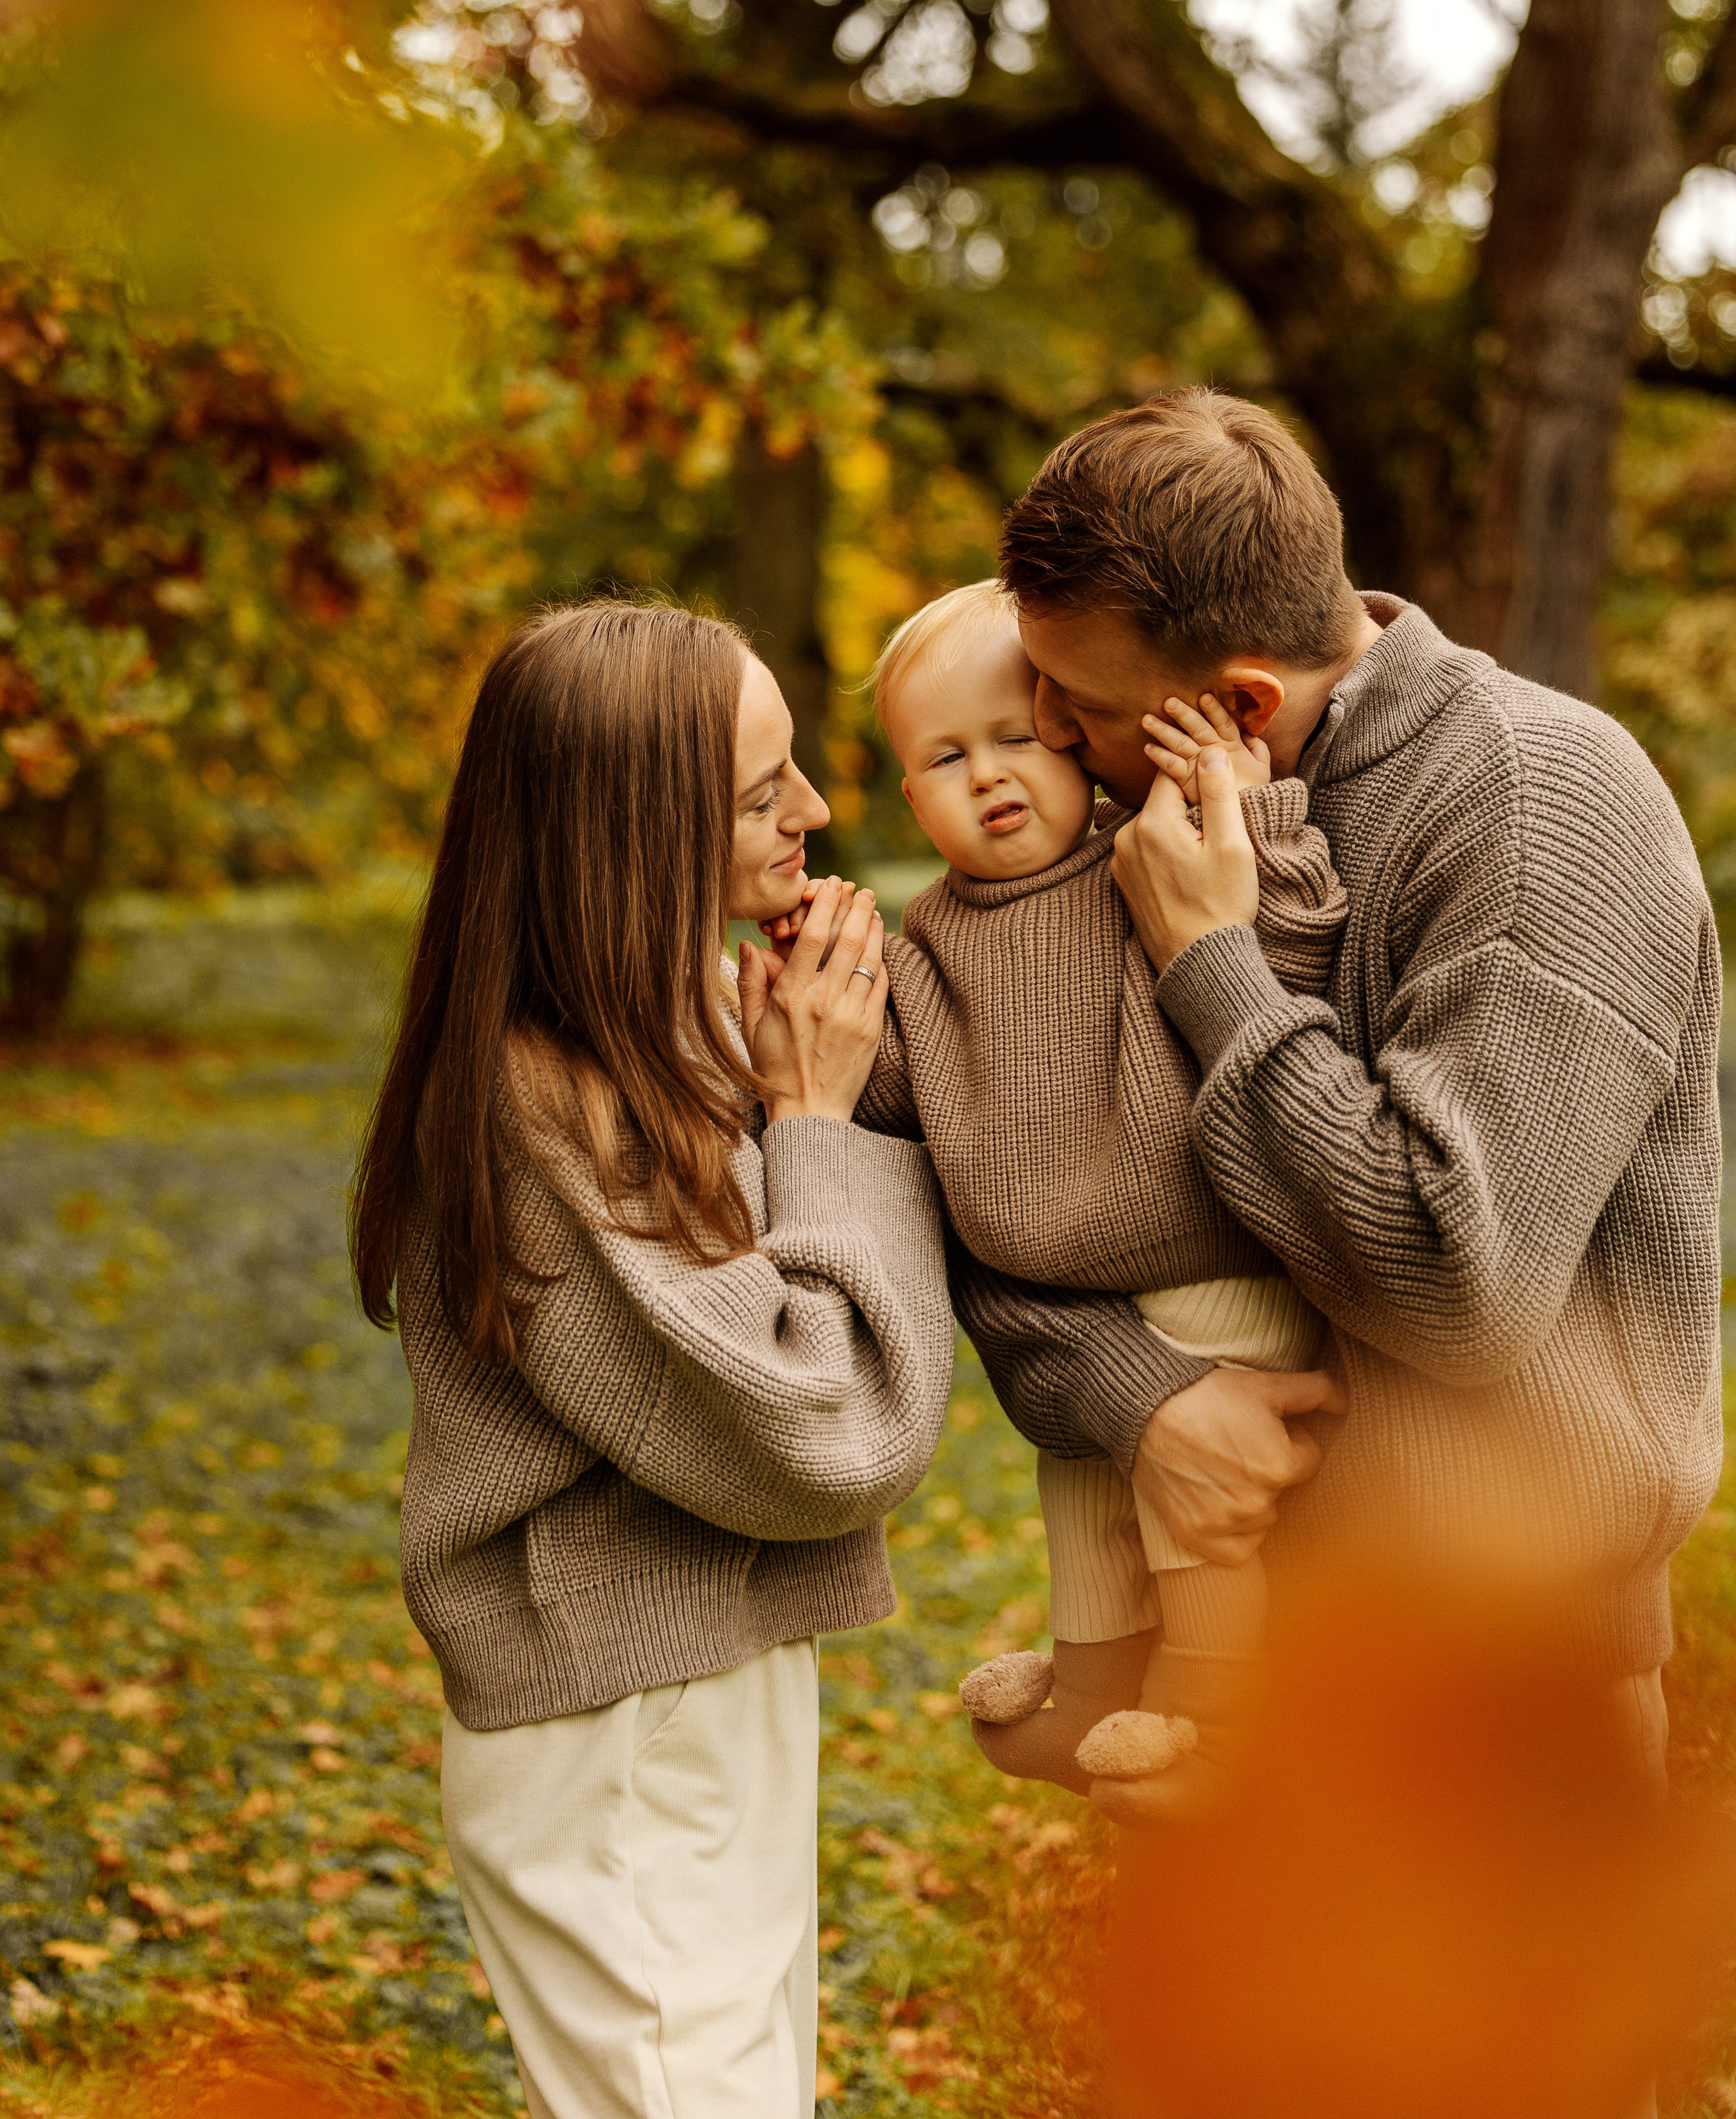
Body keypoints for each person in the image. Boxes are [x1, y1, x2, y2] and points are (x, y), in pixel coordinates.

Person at [951, 391, 1720, 1806]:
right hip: (1242, 1659)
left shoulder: (1533, 804)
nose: (1045, 734)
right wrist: (1138, 1398)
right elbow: (1004, 1168)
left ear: (1239, 698)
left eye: (1084, 703)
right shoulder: (1152, 809)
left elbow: (1456, 1282)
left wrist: (1210, 960)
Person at [350, 599, 953, 2119]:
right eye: (761, 793)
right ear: (633, 830)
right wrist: (812, 1122)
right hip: (622, 1723)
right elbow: (825, 1437)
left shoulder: (669, 1028)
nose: (815, 812)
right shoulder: (544, 1109)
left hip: (702, 1673)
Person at [840, 578, 1343, 1820]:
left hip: (1210, 1269)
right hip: (1079, 1308)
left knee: (1197, 1526)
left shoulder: (1143, 858)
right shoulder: (924, 949)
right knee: (1086, 1488)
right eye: (947, 758)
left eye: (1015, 737)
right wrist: (822, 979)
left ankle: (1218, 1711)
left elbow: (1286, 941)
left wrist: (1252, 806)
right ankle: (1094, 1683)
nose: (990, 776)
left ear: (1072, 734)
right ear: (909, 796)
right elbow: (886, 1090)